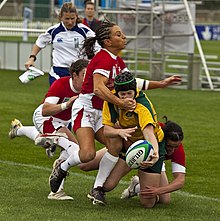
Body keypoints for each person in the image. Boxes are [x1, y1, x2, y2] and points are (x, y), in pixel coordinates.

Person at [47, 20, 182, 197]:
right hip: (86, 110)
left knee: (117, 144)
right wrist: (121, 103)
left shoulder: (117, 60)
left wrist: (161, 83)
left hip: (101, 111)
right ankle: (62, 167)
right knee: (87, 155)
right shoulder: (104, 58)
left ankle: (97, 189)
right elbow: (98, 88)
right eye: (118, 34)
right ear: (108, 42)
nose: (124, 37)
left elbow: (132, 83)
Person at [9, 59, 89, 200]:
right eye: (84, 74)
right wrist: (66, 105)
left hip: (62, 122)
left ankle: (19, 130)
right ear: (74, 75)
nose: (88, 78)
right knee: (74, 151)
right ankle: (56, 191)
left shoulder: (89, 87)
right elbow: (45, 110)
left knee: (68, 149)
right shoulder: (61, 83)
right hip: (45, 118)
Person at [78, 116, 185, 205]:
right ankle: (66, 153)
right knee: (85, 165)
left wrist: (158, 191)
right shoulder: (149, 128)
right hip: (130, 150)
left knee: (163, 200)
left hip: (155, 161)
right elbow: (119, 125)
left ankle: (137, 187)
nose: (172, 150)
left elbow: (180, 180)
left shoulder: (177, 149)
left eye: (176, 146)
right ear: (162, 139)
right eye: (170, 146)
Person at [24, 2, 100, 86]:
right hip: (58, 71)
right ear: (61, 17)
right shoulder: (53, 31)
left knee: (77, 98)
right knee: (54, 98)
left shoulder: (85, 31)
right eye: (67, 19)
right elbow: (39, 43)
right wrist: (31, 58)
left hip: (78, 72)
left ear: (76, 16)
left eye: (72, 18)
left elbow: (98, 49)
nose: (70, 22)